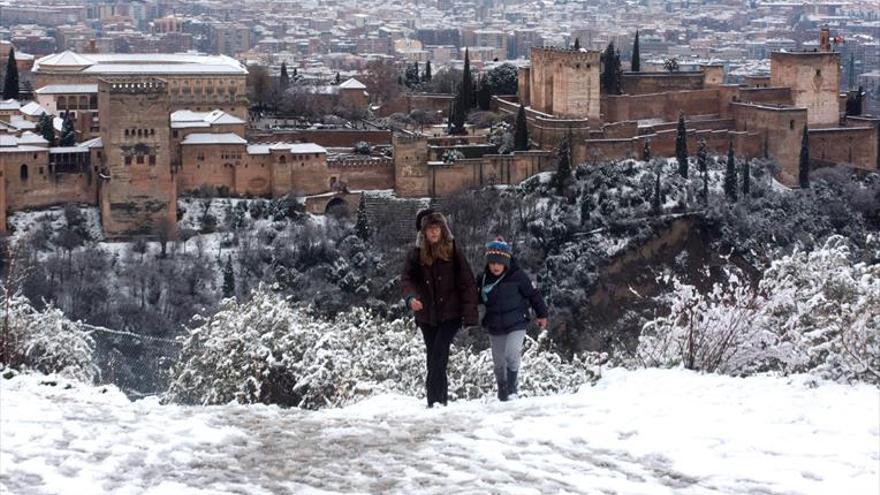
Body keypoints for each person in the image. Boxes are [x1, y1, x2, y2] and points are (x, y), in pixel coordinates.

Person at [401, 209, 479, 408]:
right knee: (433, 356)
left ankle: (435, 401)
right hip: (427, 313)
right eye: (430, 229)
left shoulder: (453, 251)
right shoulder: (417, 253)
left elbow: (467, 282)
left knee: (439, 353)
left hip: (450, 312)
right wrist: (411, 298)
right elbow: (407, 279)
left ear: (443, 230)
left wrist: (470, 315)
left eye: (437, 228)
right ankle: (438, 401)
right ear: (424, 232)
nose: (434, 233)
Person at [476, 237, 548, 401]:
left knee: (512, 353)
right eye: (492, 263)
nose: (495, 266)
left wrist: (542, 314)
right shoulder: (483, 278)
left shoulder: (518, 276)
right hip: (495, 324)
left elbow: (532, 294)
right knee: (499, 362)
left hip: (517, 322)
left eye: (499, 263)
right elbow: (475, 298)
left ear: (506, 263)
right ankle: (502, 391)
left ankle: (512, 388)